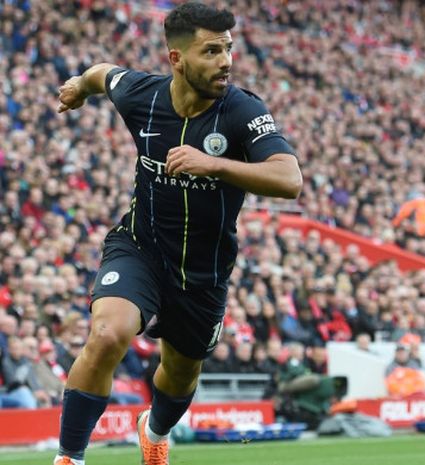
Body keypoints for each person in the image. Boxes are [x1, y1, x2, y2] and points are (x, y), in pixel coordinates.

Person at [53, 3, 301, 465]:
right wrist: (78, 89)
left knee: (181, 373)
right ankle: (69, 457)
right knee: (108, 334)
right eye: (211, 51)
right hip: (139, 248)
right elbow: (102, 74)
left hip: (203, 272)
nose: (225, 60)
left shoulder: (243, 110)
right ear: (176, 59)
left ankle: (155, 429)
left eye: (228, 48)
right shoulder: (141, 96)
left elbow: (290, 179)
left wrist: (215, 164)